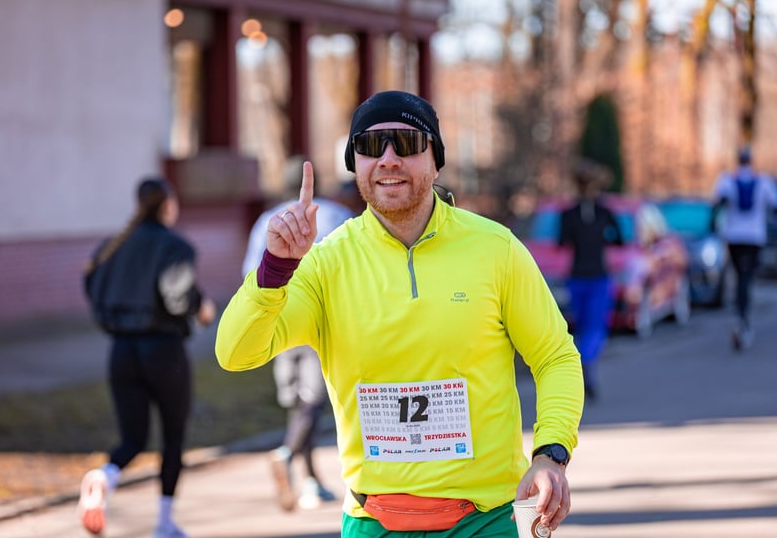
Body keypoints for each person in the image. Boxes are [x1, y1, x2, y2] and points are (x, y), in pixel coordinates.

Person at [216, 90, 584, 537]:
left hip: (488, 521)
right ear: (356, 165)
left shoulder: (496, 249)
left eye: (406, 144)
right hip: (375, 522)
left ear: (435, 159)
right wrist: (274, 268)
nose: (388, 159)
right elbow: (235, 353)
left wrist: (550, 455)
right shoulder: (325, 262)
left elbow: (555, 356)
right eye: (371, 147)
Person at [78, 177, 217, 538]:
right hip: (164, 352)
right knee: (172, 439)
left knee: (131, 440)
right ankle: (164, 523)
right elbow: (177, 297)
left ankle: (103, 476)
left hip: (121, 351)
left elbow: (91, 284)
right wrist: (199, 308)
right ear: (166, 204)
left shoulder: (113, 246)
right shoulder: (176, 246)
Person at [242, 165, 354, 512]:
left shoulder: (267, 221)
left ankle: (309, 481)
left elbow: (250, 273)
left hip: (278, 322)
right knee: (313, 402)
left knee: (297, 402)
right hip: (320, 322)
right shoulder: (337, 215)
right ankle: (287, 453)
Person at [558, 161, 623, 401]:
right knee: (593, 327)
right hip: (593, 276)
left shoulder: (571, 214)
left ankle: (585, 368)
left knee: (586, 327)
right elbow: (620, 239)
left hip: (581, 276)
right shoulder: (603, 212)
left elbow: (561, 241)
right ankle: (587, 366)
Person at [711, 145, 777, 351]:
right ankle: (744, 318)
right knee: (747, 278)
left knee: (739, 276)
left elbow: (717, 204)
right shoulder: (764, 181)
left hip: (734, 236)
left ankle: (740, 316)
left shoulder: (727, 180)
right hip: (754, 237)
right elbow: (775, 206)